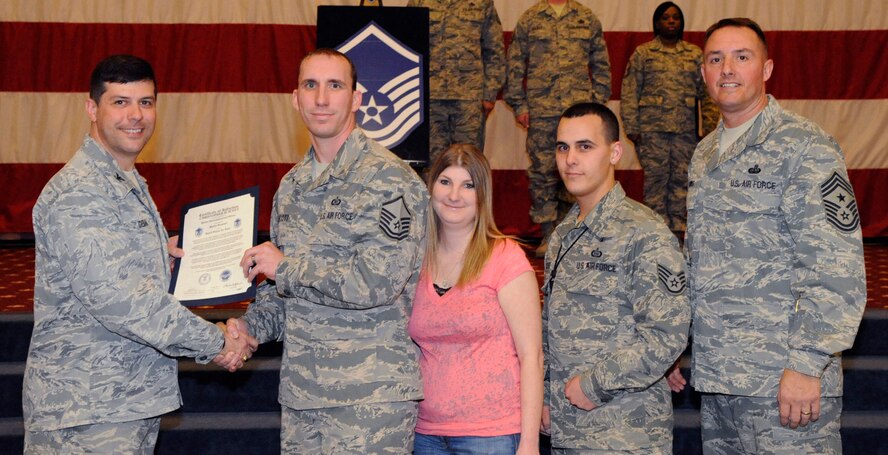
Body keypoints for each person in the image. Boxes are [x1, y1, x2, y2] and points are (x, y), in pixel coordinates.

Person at [23, 54, 256, 453]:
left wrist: (157, 259)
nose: (136, 115)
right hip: (86, 411)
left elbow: (118, 277)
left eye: (146, 102)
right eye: (120, 102)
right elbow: (126, 304)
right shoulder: (81, 192)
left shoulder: (123, 181)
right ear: (92, 108)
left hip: (122, 402)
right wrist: (217, 343)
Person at [667, 18, 866, 454]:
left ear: (767, 69)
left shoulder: (805, 146)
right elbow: (698, 260)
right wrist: (681, 345)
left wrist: (807, 364)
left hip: (783, 382)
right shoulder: (705, 153)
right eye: (715, 59)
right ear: (703, 73)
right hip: (720, 381)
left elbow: (837, 267)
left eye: (743, 57)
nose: (728, 70)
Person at [223, 49, 428, 453]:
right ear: (295, 98)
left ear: (356, 99)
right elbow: (281, 293)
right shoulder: (292, 187)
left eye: (335, 86)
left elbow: (376, 283)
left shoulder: (390, 181)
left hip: (368, 398)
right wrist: (249, 331)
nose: (321, 98)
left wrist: (286, 268)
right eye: (310, 85)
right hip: (303, 396)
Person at [542, 102, 689, 454]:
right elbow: (551, 326)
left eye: (585, 146)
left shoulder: (645, 233)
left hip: (624, 434)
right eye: (563, 147)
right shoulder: (564, 233)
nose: (570, 159)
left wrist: (594, 385)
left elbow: (666, 335)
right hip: (568, 432)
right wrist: (547, 395)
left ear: (615, 152)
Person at [408, 144, 544, 455]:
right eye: (445, 182)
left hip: (492, 435)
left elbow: (532, 356)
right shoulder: (414, 260)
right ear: (430, 189)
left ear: (482, 195)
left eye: (468, 185)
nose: (454, 195)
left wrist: (529, 443)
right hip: (425, 434)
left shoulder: (506, 257)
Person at [506, 0, 612, 257]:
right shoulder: (530, 18)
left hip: (578, 113)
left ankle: (572, 228)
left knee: (577, 168)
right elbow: (515, 63)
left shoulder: (586, 18)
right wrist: (519, 104)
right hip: (541, 111)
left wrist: (595, 106)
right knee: (542, 172)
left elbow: (601, 64)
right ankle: (547, 234)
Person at [620, 1, 718, 234]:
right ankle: (655, 229)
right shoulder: (644, 53)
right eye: (666, 17)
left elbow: (708, 94)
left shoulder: (694, 54)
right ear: (657, 23)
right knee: (655, 181)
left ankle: (679, 227)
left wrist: (711, 128)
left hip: (686, 133)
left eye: (676, 18)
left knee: (682, 180)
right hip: (652, 133)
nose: (671, 21)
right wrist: (632, 126)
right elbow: (630, 91)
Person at [406, 0, 506, 166]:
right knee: (432, 166)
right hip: (430, 99)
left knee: (469, 163)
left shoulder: (482, 3)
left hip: (469, 99)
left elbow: (494, 49)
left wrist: (490, 93)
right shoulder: (419, 1)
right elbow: (408, 45)